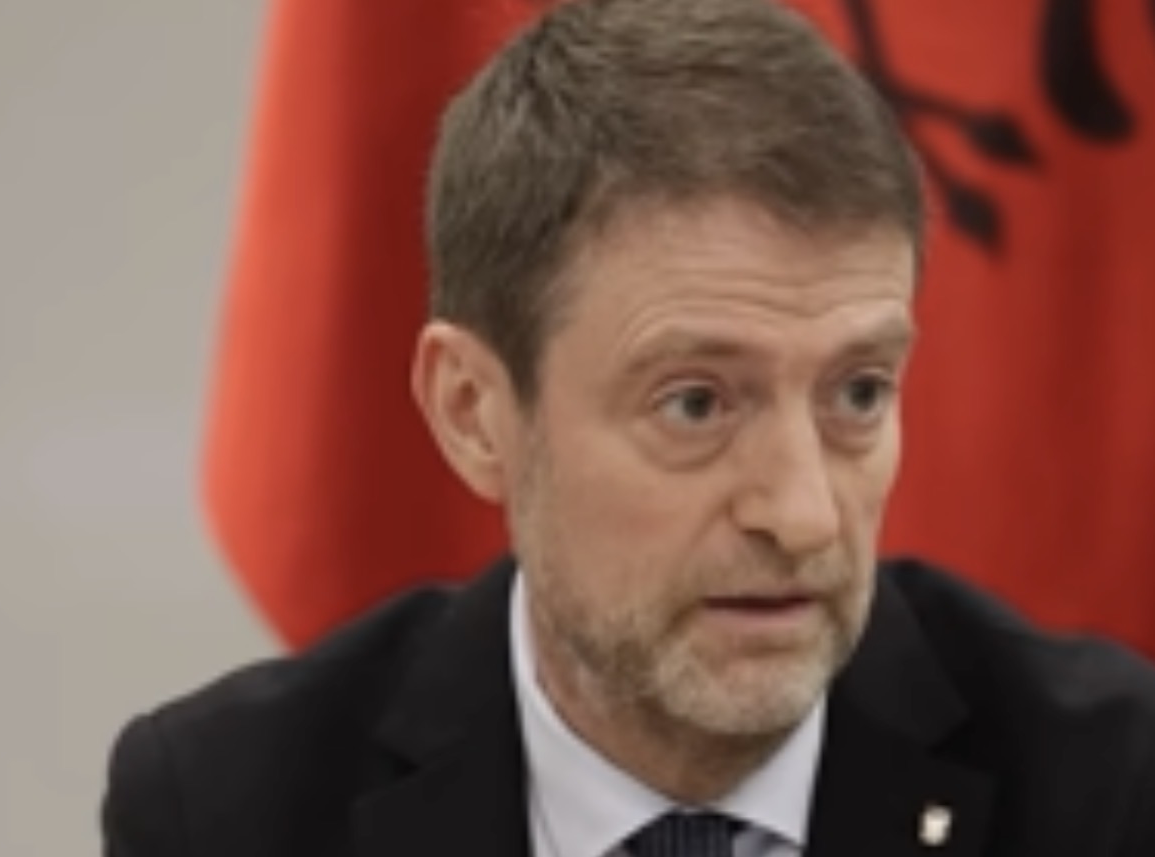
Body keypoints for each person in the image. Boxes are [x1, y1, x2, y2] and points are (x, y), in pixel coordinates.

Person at [102, 0, 1155, 854]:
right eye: (697, 403)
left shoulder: (1111, 788)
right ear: (474, 412)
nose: (804, 514)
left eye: (858, 394)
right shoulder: (233, 811)